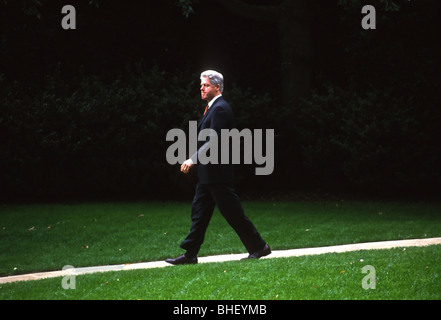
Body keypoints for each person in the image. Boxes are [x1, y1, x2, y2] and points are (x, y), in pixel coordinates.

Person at [165, 70, 271, 265]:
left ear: (217, 87)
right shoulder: (212, 108)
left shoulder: (220, 108)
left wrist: (192, 159)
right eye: (201, 85)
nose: (201, 88)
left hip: (218, 174)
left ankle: (259, 247)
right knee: (199, 213)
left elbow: (215, 140)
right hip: (208, 175)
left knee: (233, 213)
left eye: (205, 85)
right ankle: (190, 255)